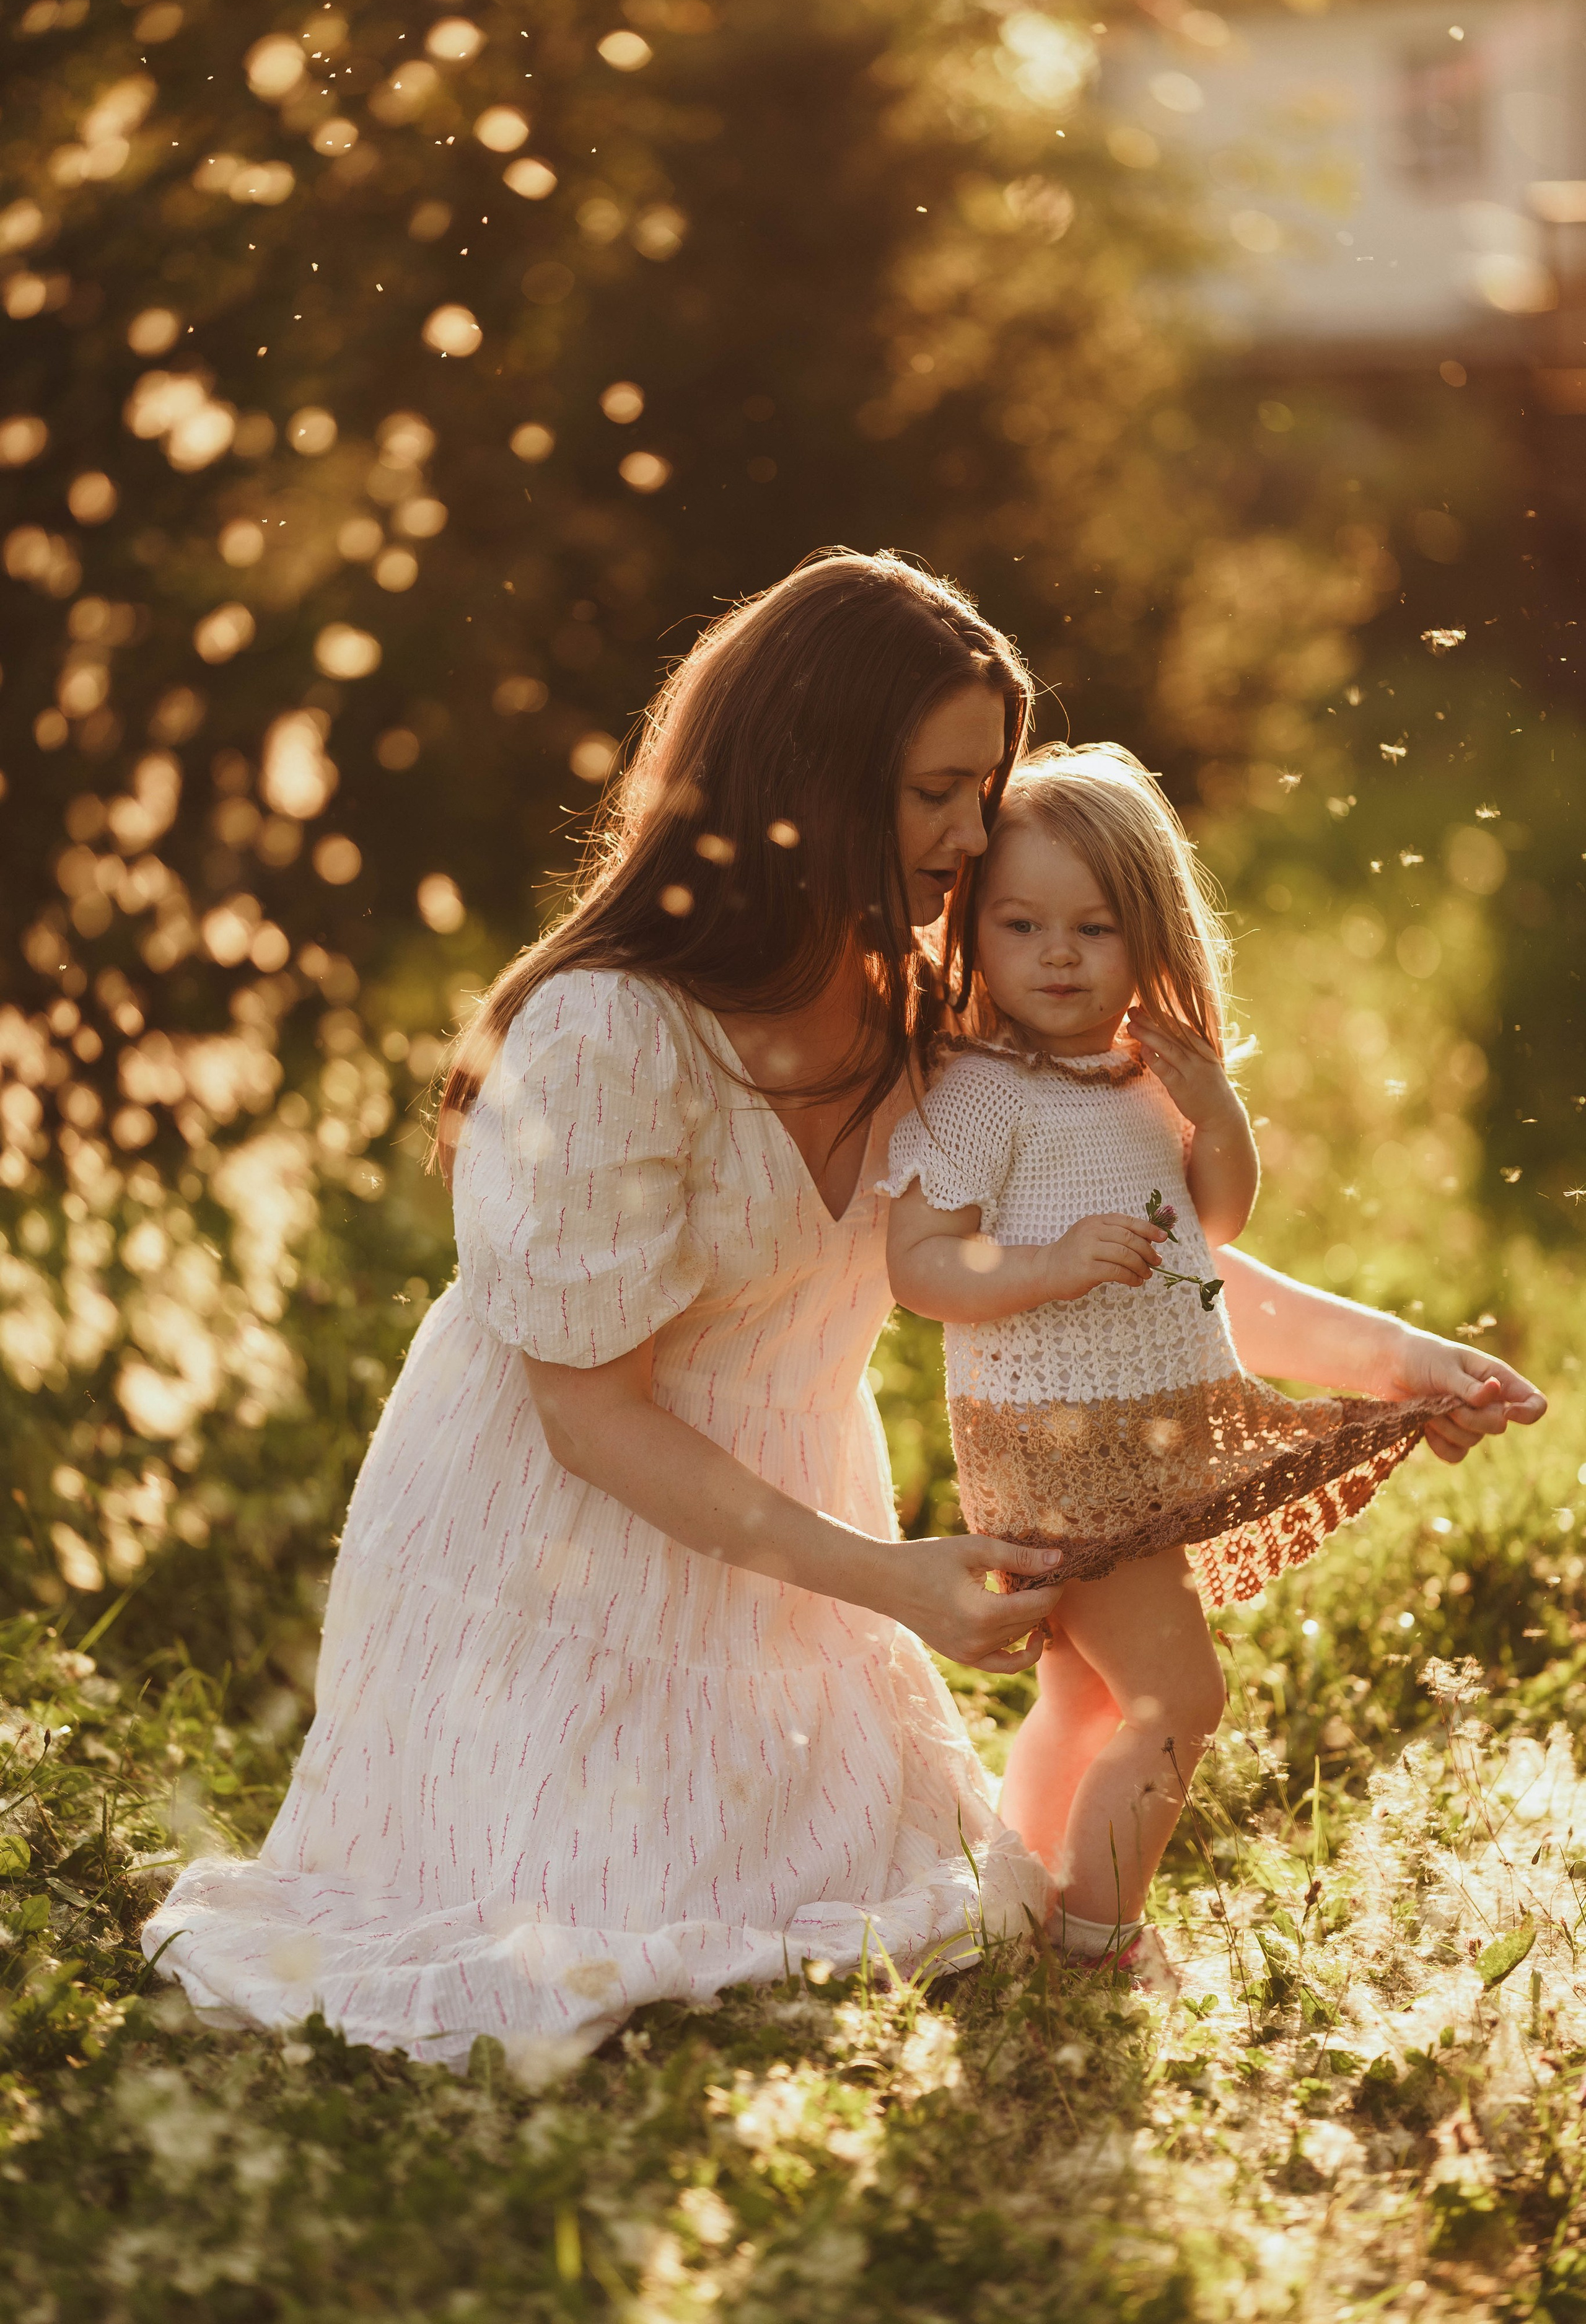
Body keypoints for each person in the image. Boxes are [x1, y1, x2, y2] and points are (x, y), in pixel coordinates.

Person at [142, 553, 1543, 2065]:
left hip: (794, 1541)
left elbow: (1152, 1266)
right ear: (811, 779)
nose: (973, 832)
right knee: (577, 1947)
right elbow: (588, 1418)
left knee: (875, 1935)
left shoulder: (929, 1013)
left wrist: (1404, 1366)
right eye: (938, 789)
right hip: (546, 1554)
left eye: (984, 786)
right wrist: (887, 1581)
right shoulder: (607, 1033)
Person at [880, 742, 1543, 1976]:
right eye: (1020, 925)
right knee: (1177, 1703)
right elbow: (917, 1269)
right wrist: (1049, 1264)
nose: (1058, 956)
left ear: (1150, 935)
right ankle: (1095, 1937)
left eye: (1093, 927)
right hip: (1060, 1456)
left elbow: (1210, 1226)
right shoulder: (976, 1095)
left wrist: (1217, 1116)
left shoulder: (1134, 1077)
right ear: (973, 932)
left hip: (1153, 1434)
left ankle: (1016, 1893)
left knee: (1087, 1695)